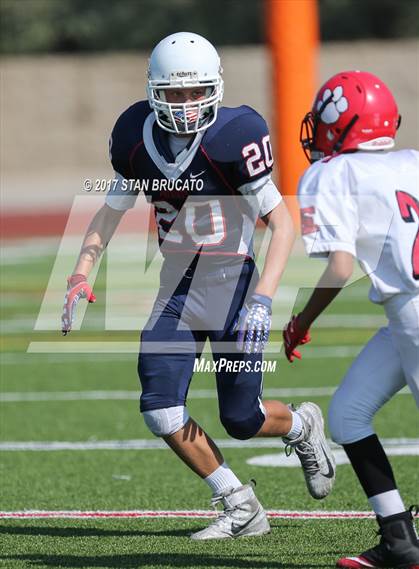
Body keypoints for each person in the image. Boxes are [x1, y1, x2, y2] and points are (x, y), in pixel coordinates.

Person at [62, 32, 335, 540]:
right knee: (161, 408)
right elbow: (109, 209)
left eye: (196, 93)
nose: (186, 106)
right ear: (153, 91)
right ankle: (239, 502)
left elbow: (283, 223)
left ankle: (301, 427)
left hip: (233, 288)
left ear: (214, 89)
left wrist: (263, 299)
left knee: (242, 418)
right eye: (174, 93)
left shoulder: (236, 134)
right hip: (176, 289)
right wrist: (81, 271)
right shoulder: (132, 137)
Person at [283, 70, 419, 568]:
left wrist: (301, 320)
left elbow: (340, 266)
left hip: (415, 313)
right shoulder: (413, 162)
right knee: (346, 414)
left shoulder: (332, 173)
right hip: (405, 315)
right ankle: (399, 540)